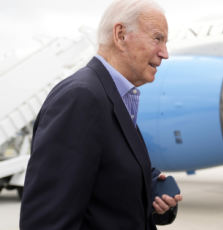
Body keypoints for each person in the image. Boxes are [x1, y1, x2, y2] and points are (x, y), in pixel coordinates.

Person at [20, 0, 182, 229]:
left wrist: (150, 190)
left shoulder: (113, 96)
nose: (164, 53)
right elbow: (48, 220)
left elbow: (105, 188)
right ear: (121, 35)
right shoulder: (81, 98)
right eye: (157, 38)